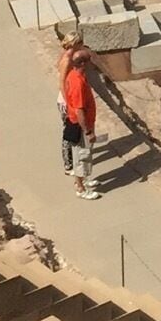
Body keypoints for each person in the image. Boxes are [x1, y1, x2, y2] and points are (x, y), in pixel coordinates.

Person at [58, 36, 102, 199]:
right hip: (80, 125)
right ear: (83, 64)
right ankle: (80, 188)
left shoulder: (76, 76)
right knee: (81, 156)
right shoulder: (77, 82)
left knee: (86, 155)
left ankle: (84, 179)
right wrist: (88, 131)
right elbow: (79, 110)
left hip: (83, 123)